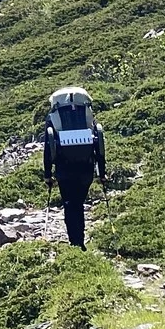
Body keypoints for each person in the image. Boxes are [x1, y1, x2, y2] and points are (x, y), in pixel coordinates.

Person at [41, 85, 106, 248]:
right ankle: (80, 239)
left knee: (69, 204)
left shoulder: (53, 120)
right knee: (78, 202)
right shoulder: (88, 119)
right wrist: (102, 172)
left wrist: (48, 173)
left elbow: (48, 148)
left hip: (64, 168)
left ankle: (75, 242)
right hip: (86, 167)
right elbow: (99, 145)